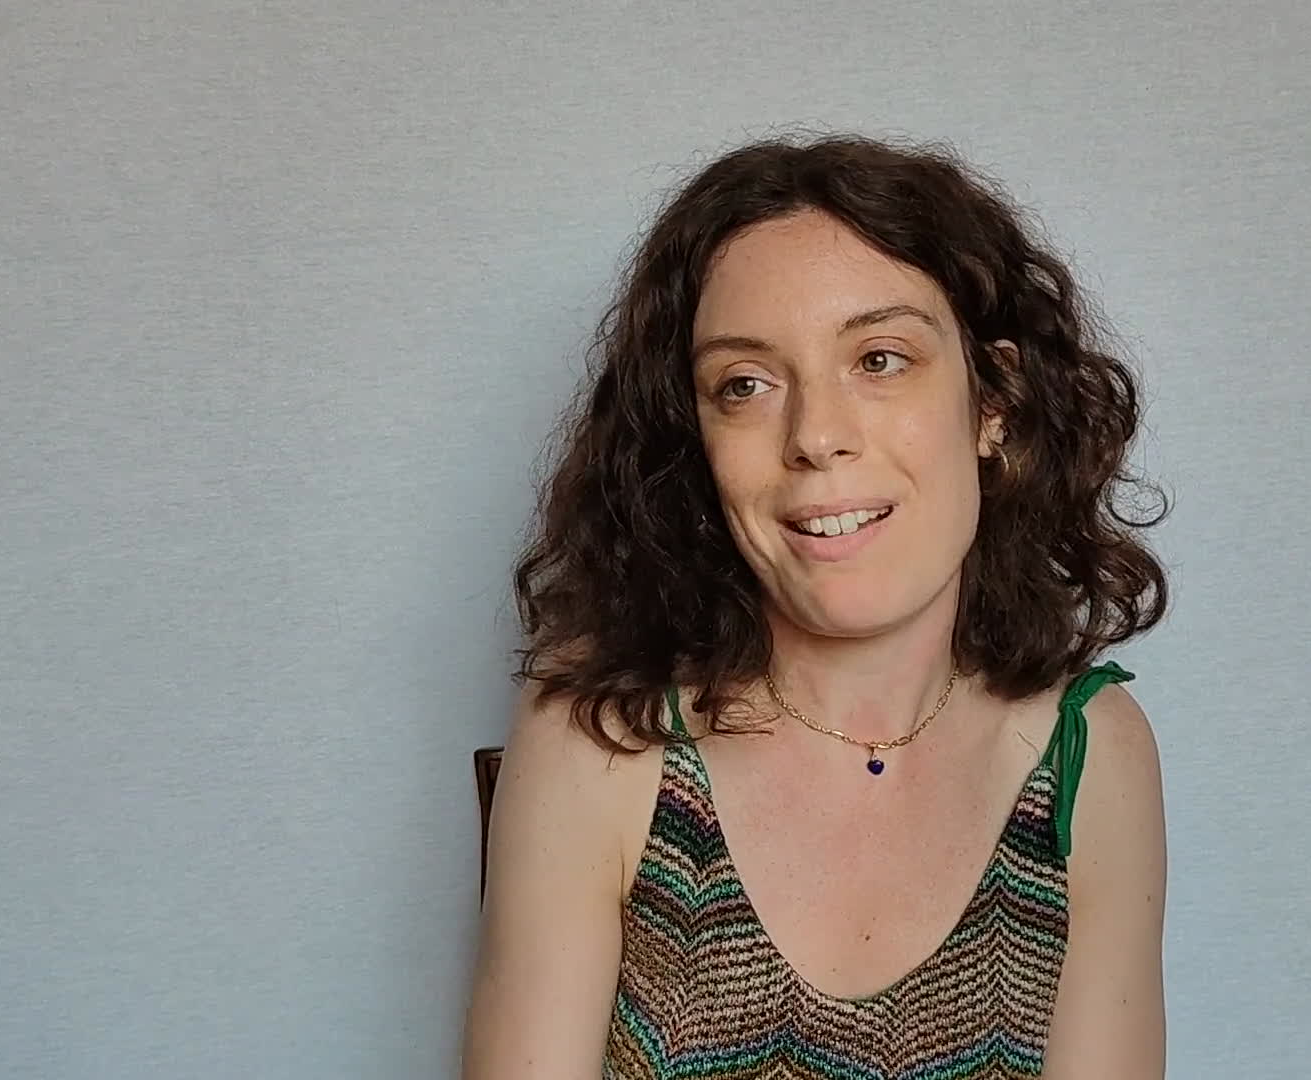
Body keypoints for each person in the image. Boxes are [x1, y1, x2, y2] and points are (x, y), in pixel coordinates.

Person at [462, 133, 1172, 1079]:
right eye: (745, 385)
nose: (816, 436)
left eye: (879, 358)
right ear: (695, 441)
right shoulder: (603, 732)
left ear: (994, 402)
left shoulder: (1091, 753)